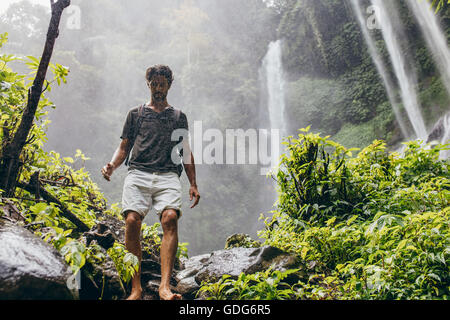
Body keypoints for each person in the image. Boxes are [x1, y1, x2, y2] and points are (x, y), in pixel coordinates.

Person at [101, 64, 200, 300]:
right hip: (138, 173)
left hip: (167, 175)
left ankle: (165, 287)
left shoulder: (178, 117)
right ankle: (136, 288)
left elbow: (185, 151)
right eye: (154, 83)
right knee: (132, 220)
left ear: (169, 85)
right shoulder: (136, 114)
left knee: (170, 218)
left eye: (162, 84)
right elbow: (124, 146)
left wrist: (193, 183)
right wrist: (112, 166)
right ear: (148, 85)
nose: (158, 88)